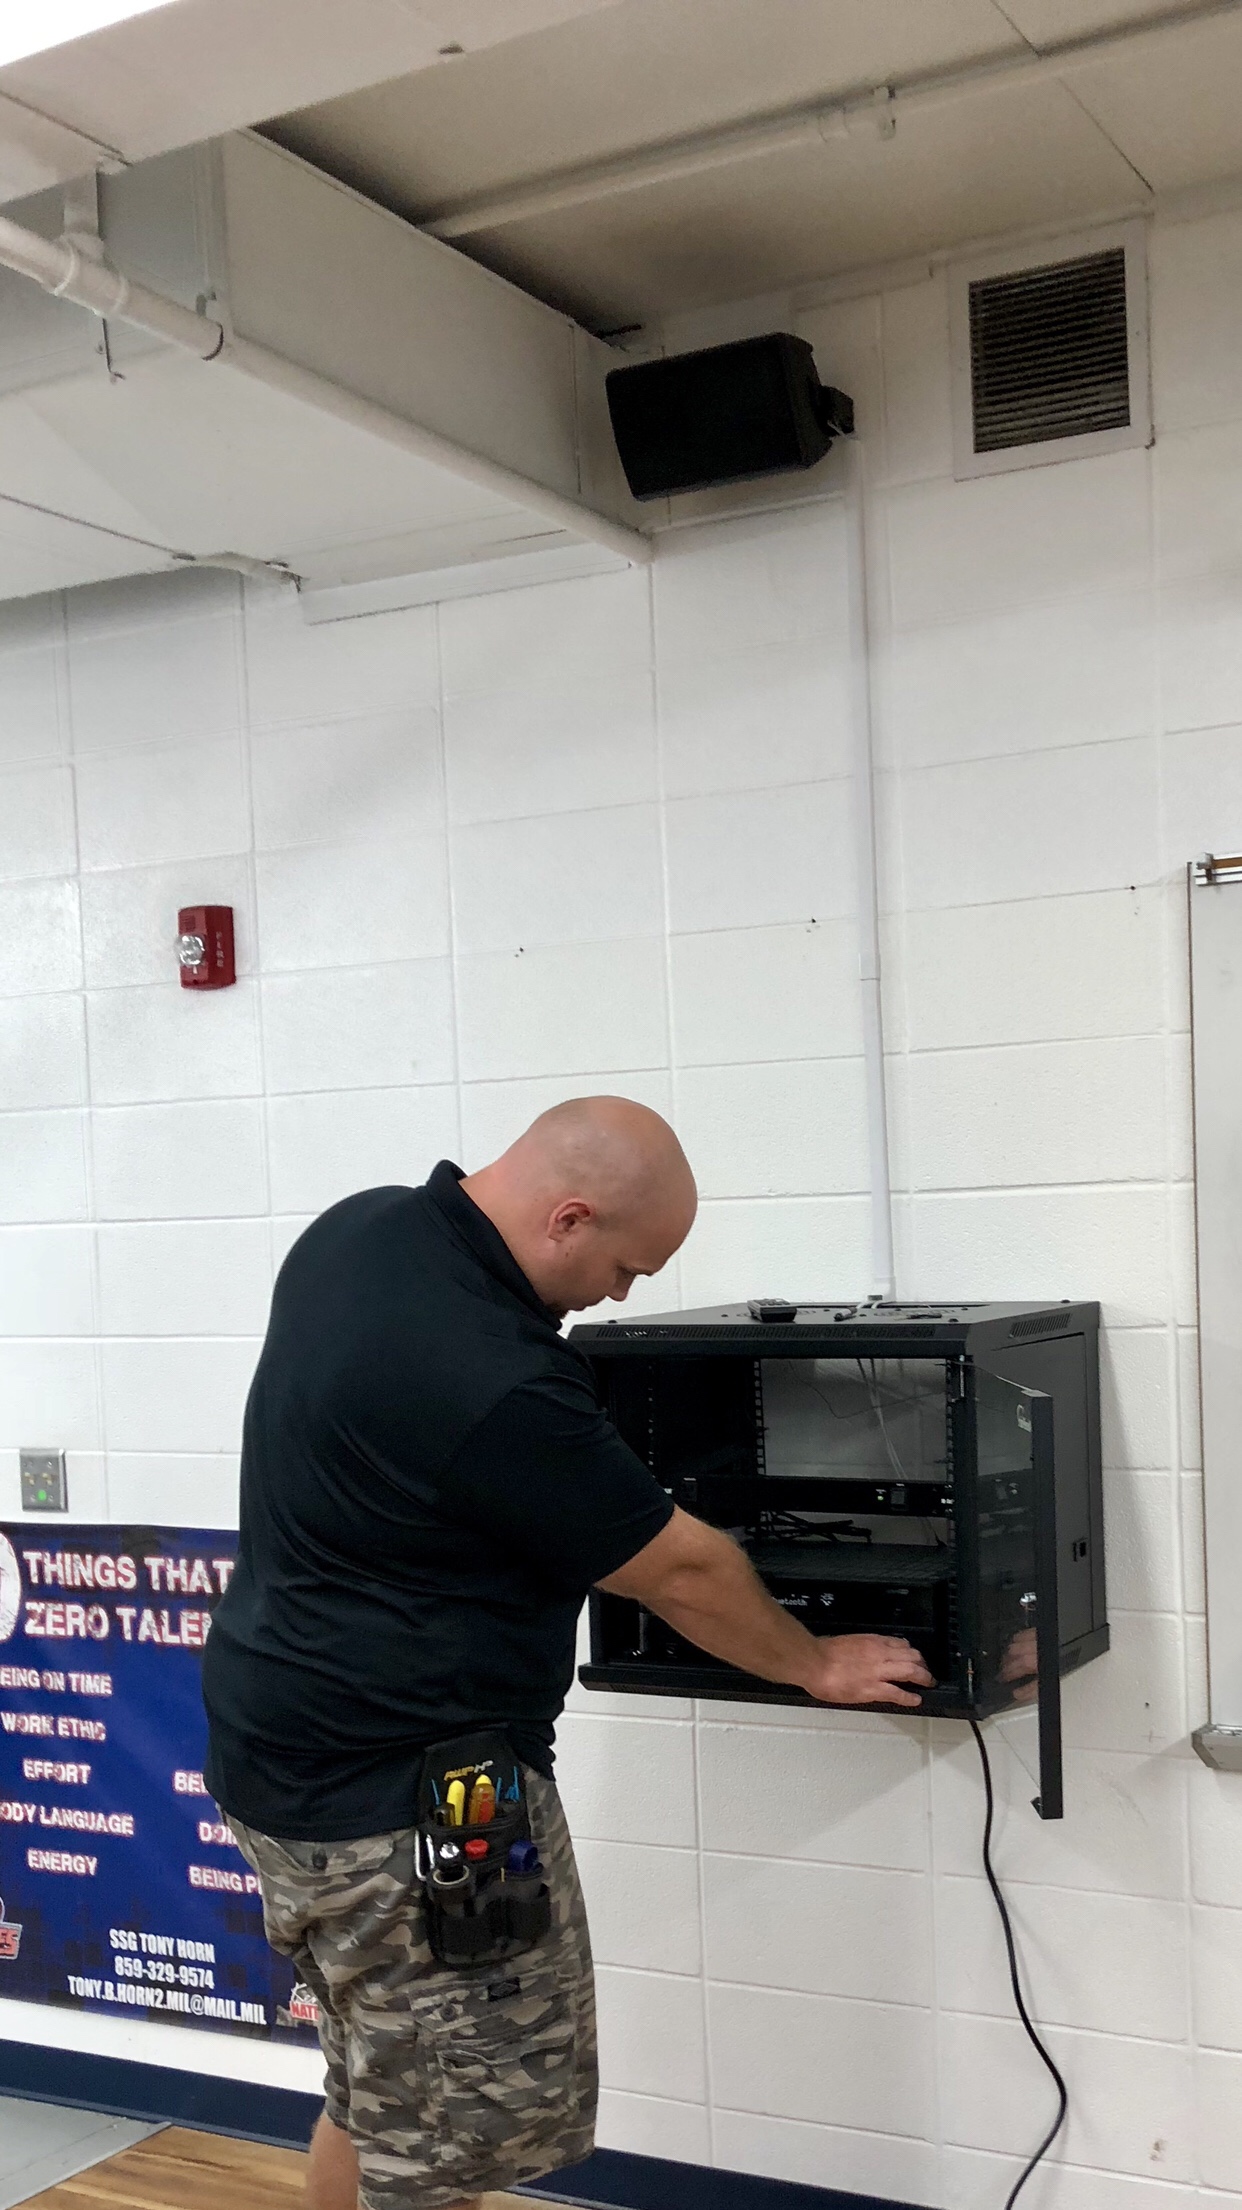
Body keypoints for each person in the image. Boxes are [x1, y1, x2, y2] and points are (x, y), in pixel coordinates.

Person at [201, 1097, 932, 2210]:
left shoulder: (358, 1230)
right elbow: (683, 1568)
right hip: (433, 1801)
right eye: (625, 1265)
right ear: (569, 1216)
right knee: (449, 2139)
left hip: (277, 1758)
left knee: (376, 2085)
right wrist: (815, 1661)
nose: (621, 1294)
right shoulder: (494, 1376)